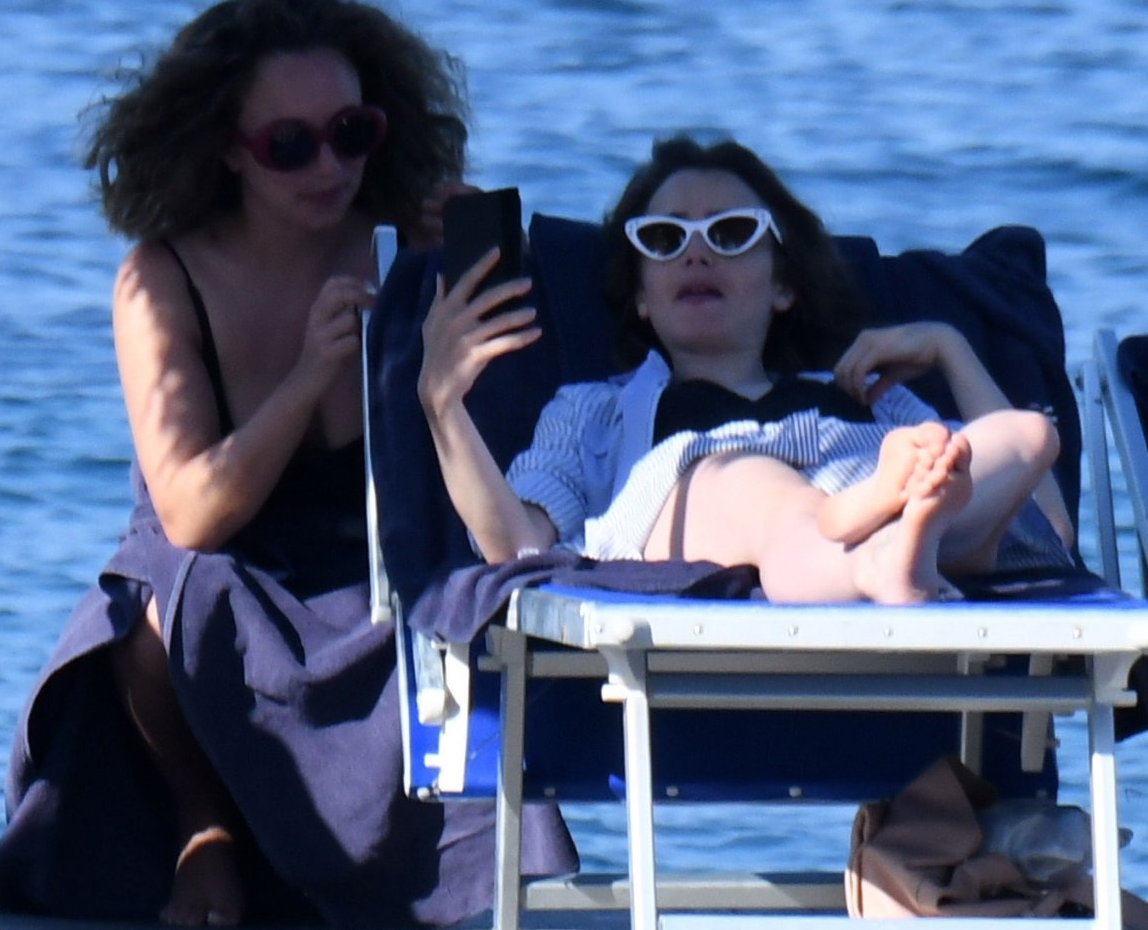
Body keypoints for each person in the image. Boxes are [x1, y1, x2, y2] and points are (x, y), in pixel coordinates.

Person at [0, 0, 577, 930]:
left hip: (374, 564)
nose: (328, 168)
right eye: (290, 145)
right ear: (227, 150)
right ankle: (203, 830)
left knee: (460, 601)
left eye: (352, 133)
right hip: (228, 568)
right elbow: (193, 512)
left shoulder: (405, 239)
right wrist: (311, 374)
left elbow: (536, 428)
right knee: (162, 595)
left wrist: (472, 268)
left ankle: (414, 867)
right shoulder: (165, 276)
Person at [419, 135, 1074, 603]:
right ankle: (881, 549)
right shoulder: (594, 411)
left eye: (731, 233)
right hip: (707, 493)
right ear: (641, 294)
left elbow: (1050, 533)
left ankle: (901, 538)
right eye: (665, 238)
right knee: (751, 482)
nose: (696, 254)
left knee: (1027, 436)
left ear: (783, 284)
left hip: (875, 483)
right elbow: (519, 547)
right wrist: (442, 406)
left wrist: (949, 348)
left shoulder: (874, 398)